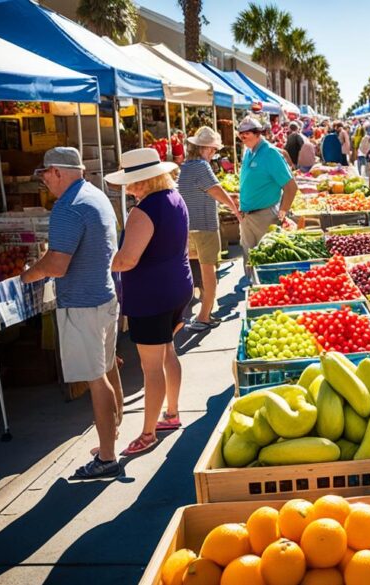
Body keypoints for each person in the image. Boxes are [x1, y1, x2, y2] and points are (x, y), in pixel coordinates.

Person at [21, 147, 122, 479]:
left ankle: (107, 457)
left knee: (97, 379)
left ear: (57, 172)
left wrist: (26, 275)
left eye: (45, 175)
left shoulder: (68, 207)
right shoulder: (95, 195)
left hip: (83, 304)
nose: (45, 181)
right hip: (104, 296)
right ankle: (112, 436)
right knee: (107, 369)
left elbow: (57, 264)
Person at [107, 148, 193, 457]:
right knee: (168, 350)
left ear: (147, 179)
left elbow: (128, 260)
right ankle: (171, 413)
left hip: (152, 296)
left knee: (151, 367)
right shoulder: (175, 199)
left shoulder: (143, 211)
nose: (128, 188)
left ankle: (148, 432)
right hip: (176, 288)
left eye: (133, 182)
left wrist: (104, 262)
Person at [179, 127, 241, 332]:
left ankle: (195, 313)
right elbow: (217, 191)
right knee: (209, 272)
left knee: (193, 271)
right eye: (213, 149)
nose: (214, 153)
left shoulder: (186, 166)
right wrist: (235, 209)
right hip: (204, 226)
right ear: (205, 148)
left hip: (188, 226)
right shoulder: (201, 166)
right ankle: (204, 316)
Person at [236, 117, 298, 257]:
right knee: (249, 259)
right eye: (240, 133)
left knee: (266, 259)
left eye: (246, 133)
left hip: (265, 217)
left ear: (258, 133)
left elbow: (291, 187)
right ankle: (250, 279)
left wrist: (282, 214)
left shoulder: (270, 153)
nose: (242, 136)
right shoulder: (248, 151)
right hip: (246, 216)